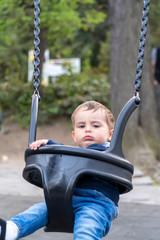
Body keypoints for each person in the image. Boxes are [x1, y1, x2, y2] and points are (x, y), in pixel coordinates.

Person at [0, 101, 119, 240]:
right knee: (38, 210)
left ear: (111, 135)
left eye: (96, 125)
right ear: (74, 135)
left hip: (97, 203)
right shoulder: (75, 153)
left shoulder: (110, 151)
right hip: (66, 199)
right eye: (82, 126)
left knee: (87, 227)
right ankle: (11, 229)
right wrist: (48, 145)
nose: (88, 129)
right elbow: (64, 153)